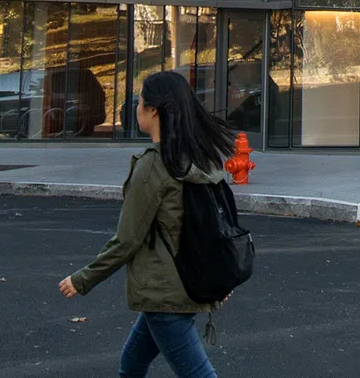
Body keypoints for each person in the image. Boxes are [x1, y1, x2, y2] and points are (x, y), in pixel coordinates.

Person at [60, 70, 234, 378]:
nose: (137, 109)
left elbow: (127, 240)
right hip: (190, 284)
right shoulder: (200, 158)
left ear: (153, 110)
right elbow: (217, 225)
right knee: (132, 364)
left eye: (139, 102)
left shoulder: (153, 165)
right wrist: (221, 277)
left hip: (165, 293)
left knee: (198, 374)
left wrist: (82, 279)